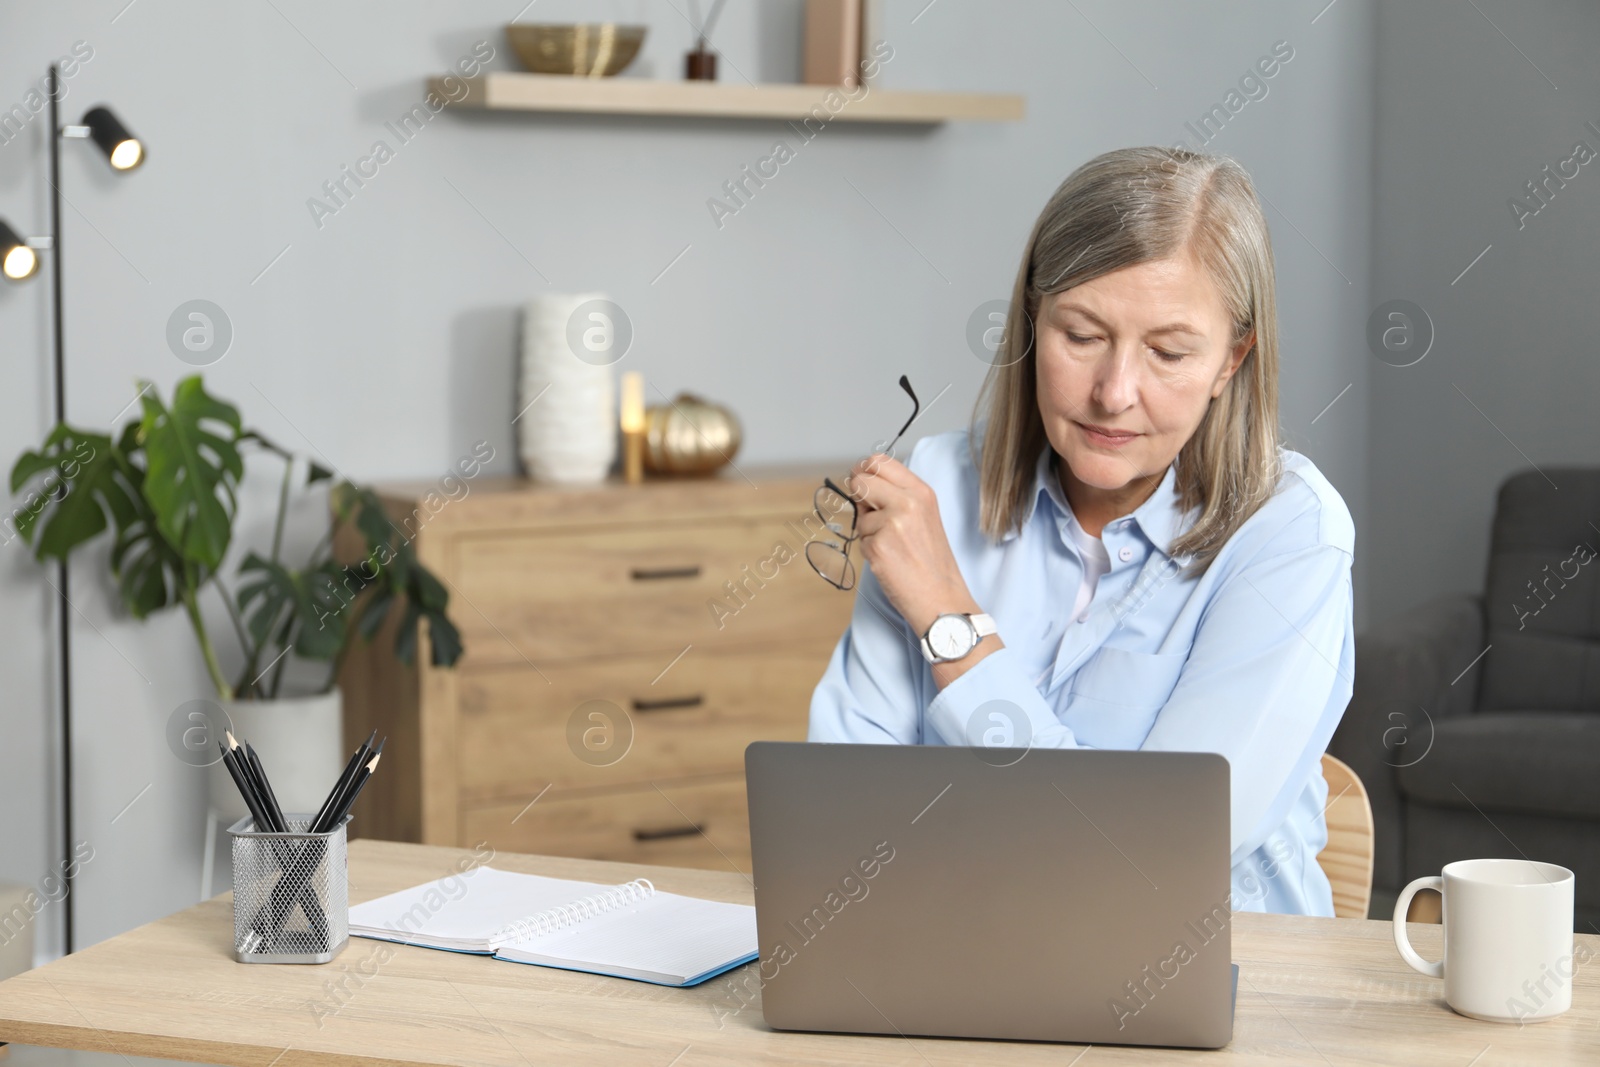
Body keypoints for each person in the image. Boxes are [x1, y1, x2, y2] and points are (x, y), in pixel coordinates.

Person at [808, 146, 1355, 917]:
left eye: (1168, 351)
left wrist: (948, 617)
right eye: (1083, 335)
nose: (1114, 393)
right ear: (1033, 320)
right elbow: (842, 809)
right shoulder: (937, 487)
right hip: (951, 953)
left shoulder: (1291, 533)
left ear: (1232, 359)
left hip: (1219, 987)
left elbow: (1156, 855)